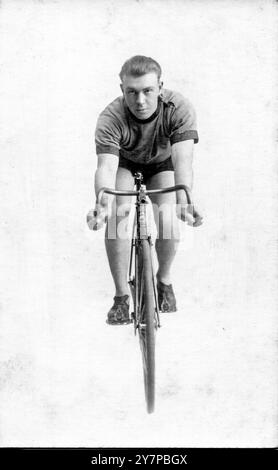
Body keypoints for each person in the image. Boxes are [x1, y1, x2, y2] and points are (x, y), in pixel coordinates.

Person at [87, 55, 203, 325]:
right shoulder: (110, 117)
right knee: (118, 214)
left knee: (167, 215)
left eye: (148, 91)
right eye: (132, 92)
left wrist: (185, 201)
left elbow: (183, 160)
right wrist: (101, 205)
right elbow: (106, 166)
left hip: (163, 164)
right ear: (122, 90)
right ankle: (121, 297)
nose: (140, 101)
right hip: (125, 164)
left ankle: (164, 280)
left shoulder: (179, 108)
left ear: (160, 87)